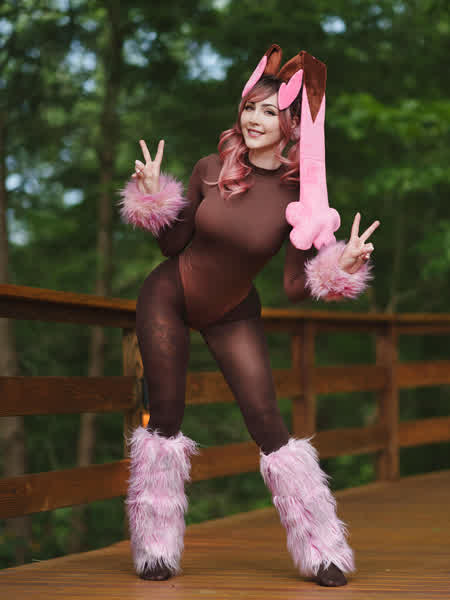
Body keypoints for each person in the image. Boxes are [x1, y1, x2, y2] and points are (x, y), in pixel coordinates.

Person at [119, 44, 380, 587]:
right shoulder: (210, 169)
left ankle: (323, 551)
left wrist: (341, 265)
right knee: (164, 415)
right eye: (249, 107)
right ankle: (155, 548)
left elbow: (294, 286)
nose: (254, 119)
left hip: (233, 309)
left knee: (268, 422)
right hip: (170, 295)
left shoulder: (298, 195)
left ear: (291, 125)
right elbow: (173, 246)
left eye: (269, 111)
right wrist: (152, 195)